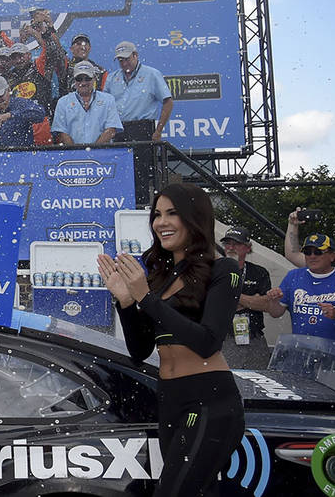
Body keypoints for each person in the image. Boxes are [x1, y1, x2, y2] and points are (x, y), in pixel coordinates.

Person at [98, 183, 243, 497]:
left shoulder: (224, 269)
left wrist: (145, 298)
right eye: (157, 214)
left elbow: (208, 342)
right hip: (171, 398)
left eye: (172, 213)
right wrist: (125, 301)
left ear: (195, 217)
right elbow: (141, 349)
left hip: (209, 399)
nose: (160, 222)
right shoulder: (162, 276)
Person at [261, 233, 335, 344]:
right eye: (308, 252)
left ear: (332, 256)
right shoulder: (293, 276)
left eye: (318, 252)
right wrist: (274, 301)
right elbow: (276, 313)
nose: (312, 256)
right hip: (301, 350)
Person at [218, 226, 272, 369]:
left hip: (255, 338)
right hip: (224, 339)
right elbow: (214, 303)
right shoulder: (214, 270)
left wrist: (232, 297)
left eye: (236, 243)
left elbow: (267, 305)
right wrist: (252, 300)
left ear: (248, 248)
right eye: (227, 243)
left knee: (260, 382)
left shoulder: (259, 272)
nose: (231, 247)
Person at [106, 41, 174, 141]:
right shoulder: (112, 78)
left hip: (143, 129)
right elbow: (105, 107)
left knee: (144, 156)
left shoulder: (152, 74)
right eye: (121, 60)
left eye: (127, 59)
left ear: (135, 55)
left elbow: (168, 102)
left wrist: (158, 131)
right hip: (118, 130)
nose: (124, 63)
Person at [51, 60, 122, 146]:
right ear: (74, 80)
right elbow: (61, 132)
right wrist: (77, 152)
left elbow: (111, 130)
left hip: (103, 154)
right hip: (72, 156)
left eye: (87, 78)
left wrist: (94, 151)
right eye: (79, 79)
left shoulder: (108, 100)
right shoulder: (63, 102)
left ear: (94, 78)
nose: (83, 83)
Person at [0, 74, 44, 148]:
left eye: (0, 96)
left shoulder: (21, 103)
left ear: (9, 90)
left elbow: (40, 114)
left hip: (22, 154)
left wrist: (10, 115)